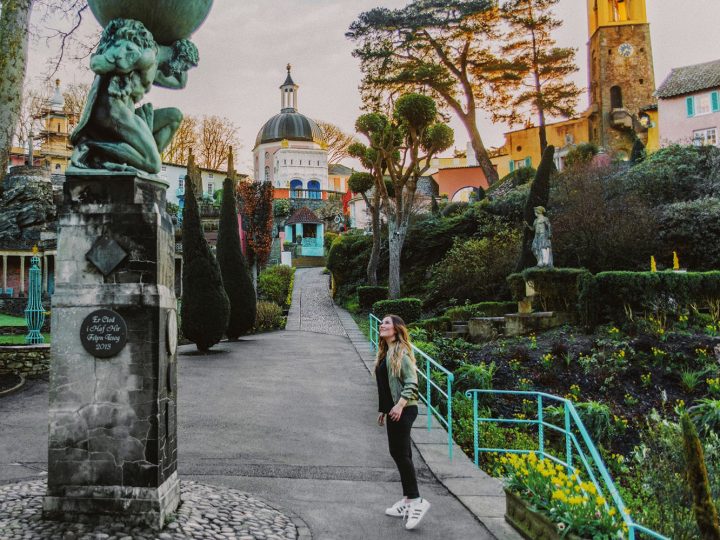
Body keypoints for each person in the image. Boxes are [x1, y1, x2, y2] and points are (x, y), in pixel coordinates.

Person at [375, 314, 431, 530]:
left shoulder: (401, 351)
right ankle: (408, 500)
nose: (382, 325)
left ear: (397, 329)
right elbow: (384, 386)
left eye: (386, 323)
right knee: (399, 453)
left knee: (400, 453)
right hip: (394, 410)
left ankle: (416, 500)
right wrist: (384, 409)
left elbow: (411, 381)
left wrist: (399, 405)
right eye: (381, 322)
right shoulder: (385, 352)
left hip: (405, 409)